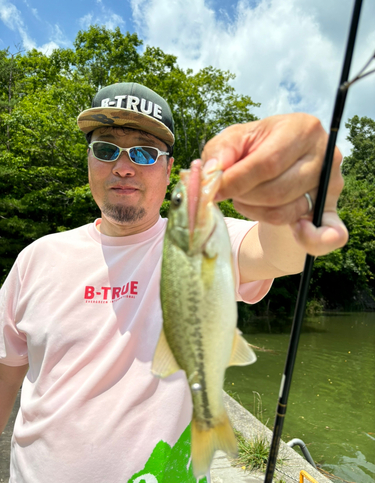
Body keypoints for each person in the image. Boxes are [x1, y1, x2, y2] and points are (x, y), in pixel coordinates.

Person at [0, 82, 348, 483]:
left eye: (145, 152)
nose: (124, 167)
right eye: (106, 149)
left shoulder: (201, 242)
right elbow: (7, 370)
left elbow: (279, 252)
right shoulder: (35, 258)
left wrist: (299, 195)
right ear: (89, 161)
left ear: (168, 170)